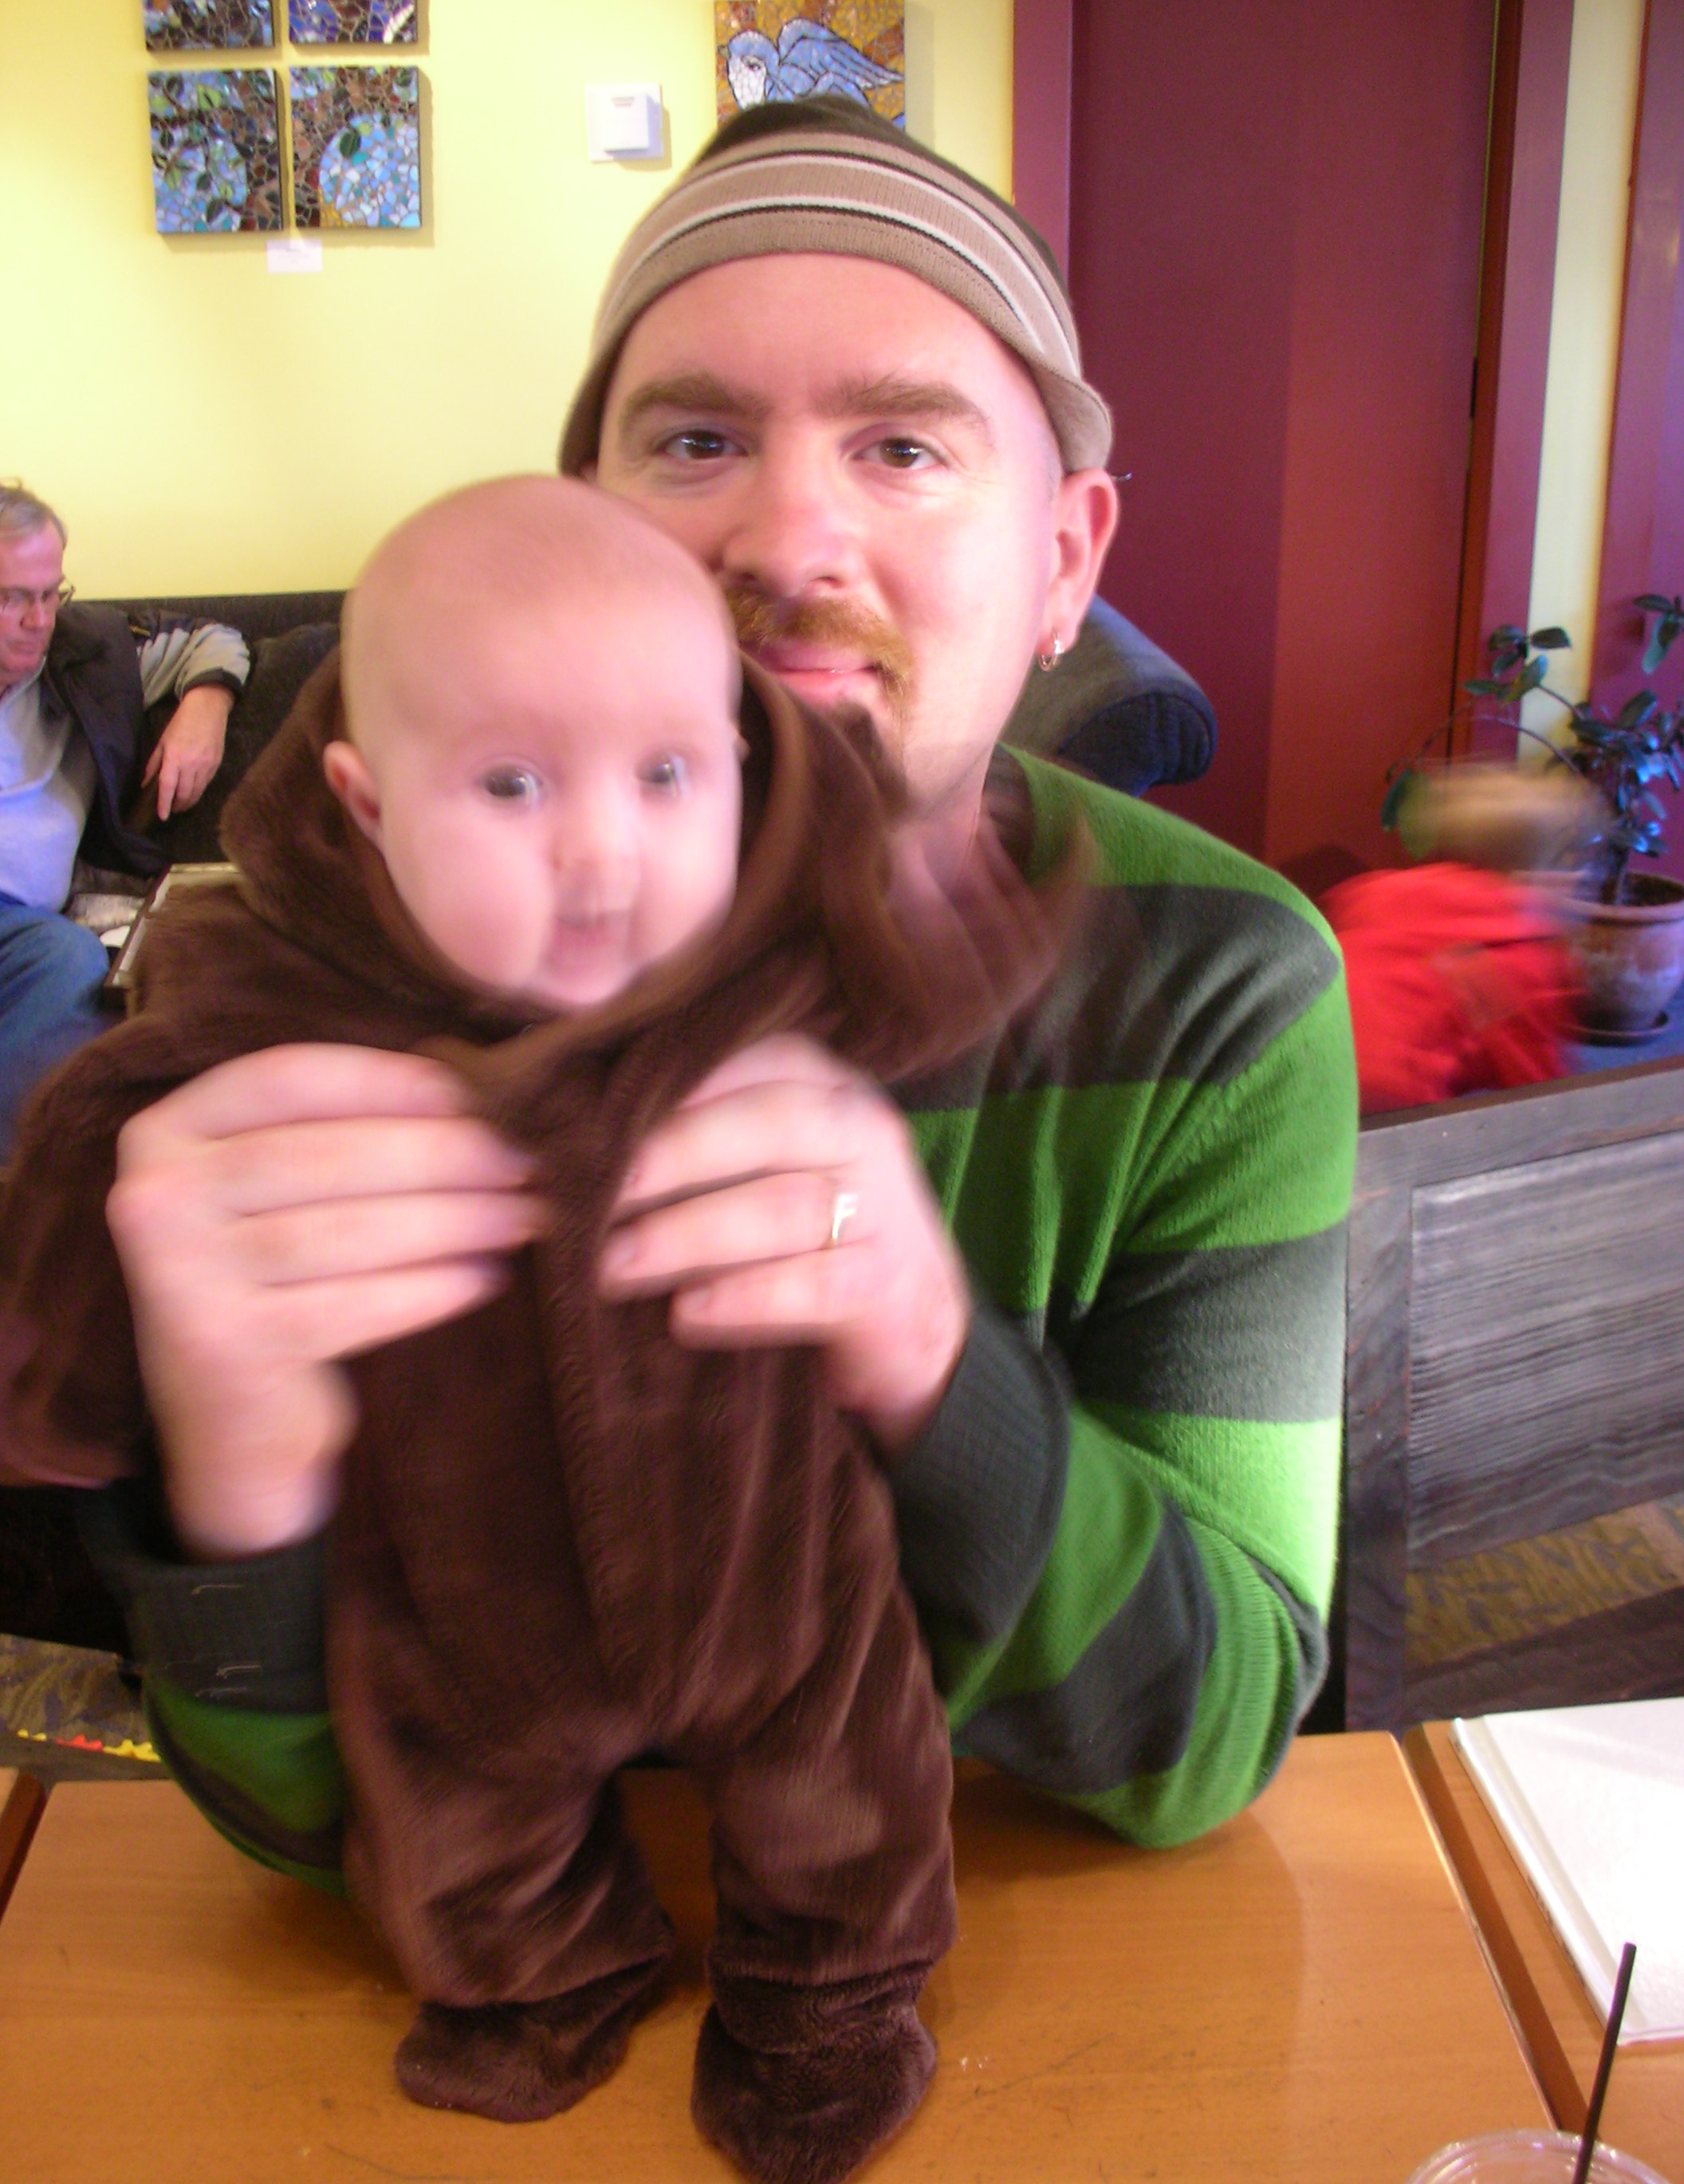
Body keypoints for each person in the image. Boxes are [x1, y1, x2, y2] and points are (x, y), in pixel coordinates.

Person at [30, 99, 1356, 1870]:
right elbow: (292, 1832)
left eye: (904, 448)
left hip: (1002, 1942)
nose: (787, 542)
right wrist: (238, 1472)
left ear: (1062, 562)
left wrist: (923, 1349)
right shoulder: (328, 974)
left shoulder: (1216, 982)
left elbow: (1217, 1731)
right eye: (699, 440)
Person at [5, 477, 1083, 2174]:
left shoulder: (762, 955)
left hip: (770, 1551)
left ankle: (829, 2003)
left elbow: (923, 966)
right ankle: (544, 1981)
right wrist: (63, 1394)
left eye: (666, 776)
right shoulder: (268, 998)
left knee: (846, 1786)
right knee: (462, 1821)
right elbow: (103, 1135)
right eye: (510, 785)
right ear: (367, 805)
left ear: (738, 768)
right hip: (458, 1579)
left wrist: (999, 902)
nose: (602, 853)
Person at [0, 481, 248, 1151]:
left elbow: (213, 638)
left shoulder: (86, 654)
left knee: (69, 960)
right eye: (13, 598)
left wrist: (207, 706)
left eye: (51, 593)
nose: (39, 620)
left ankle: (17, 1184)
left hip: (21, 930)